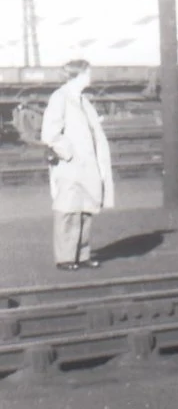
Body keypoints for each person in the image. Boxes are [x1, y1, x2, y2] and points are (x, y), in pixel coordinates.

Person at [40, 59, 115, 270]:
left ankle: (82, 255)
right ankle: (65, 258)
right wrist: (69, 153)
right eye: (88, 73)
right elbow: (50, 133)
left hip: (87, 166)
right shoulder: (60, 97)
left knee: (85, 209)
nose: (90, 77)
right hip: (70, 166)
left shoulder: (83, 100)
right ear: (78, 75)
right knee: (68, 211)